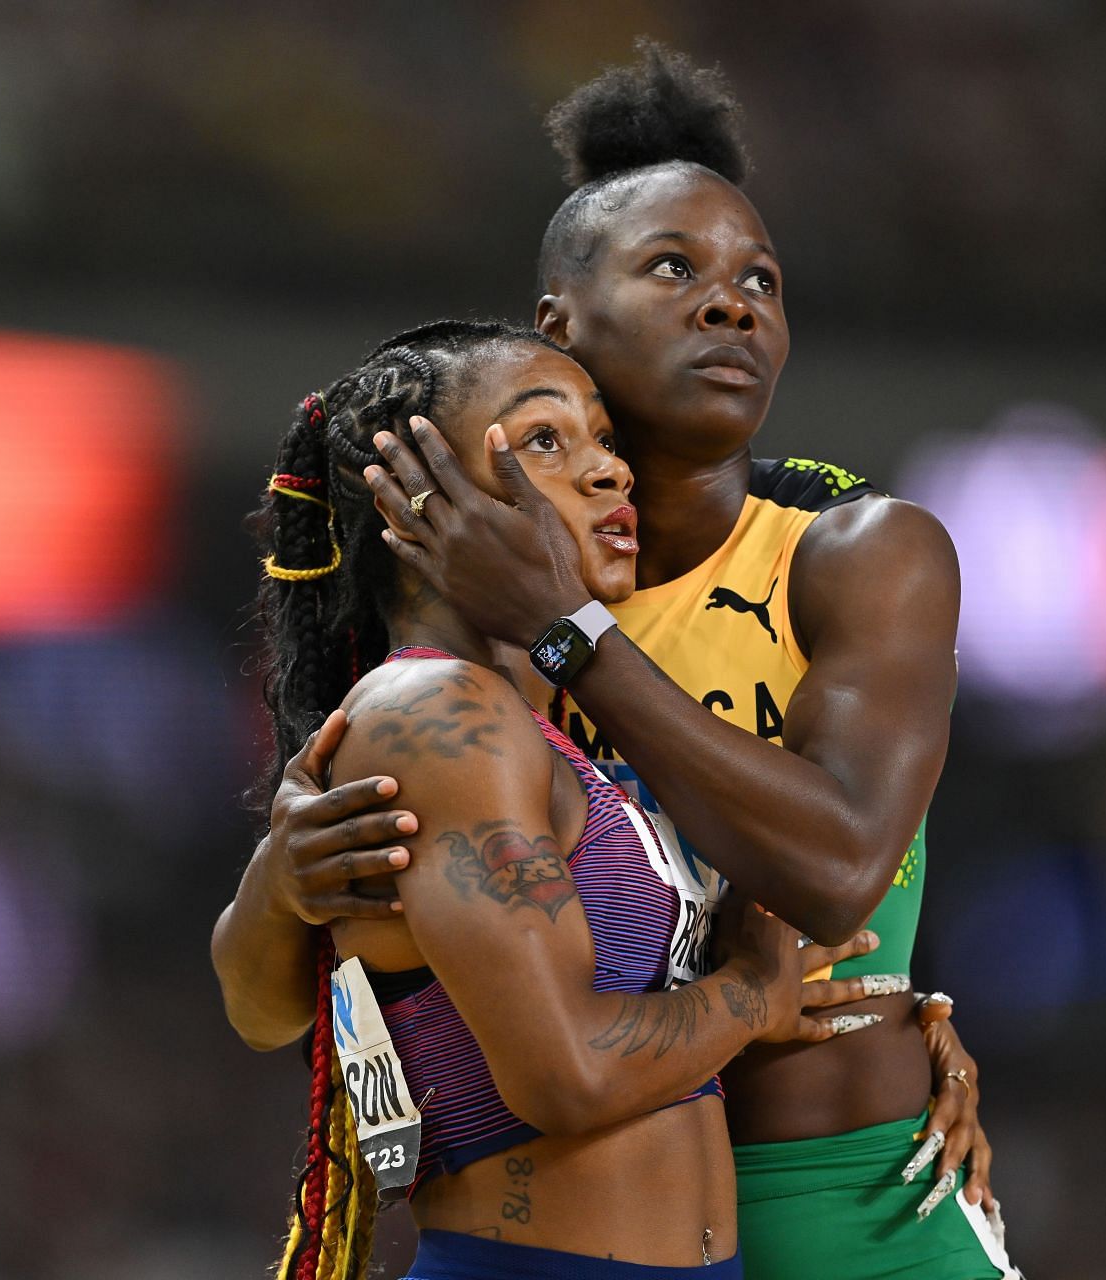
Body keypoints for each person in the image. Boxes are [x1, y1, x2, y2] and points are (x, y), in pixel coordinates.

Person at [303, 44, 1015, 1280]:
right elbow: (314, 975)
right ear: (560, 322)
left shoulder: (855, 549)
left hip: (852, 1198)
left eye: (762, 281)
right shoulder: (470, 625)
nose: (732, 301)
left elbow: (842, 870)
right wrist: (279, 881)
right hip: (616, 1219)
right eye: (675, 268)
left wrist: (575, 631)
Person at [211, 319, 888, 1280]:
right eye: (544, 441)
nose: (610, 472)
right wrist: (749, 995)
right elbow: (566, 1075)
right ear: (414, 505)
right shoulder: (436, 714)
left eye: (605, 440)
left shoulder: (549, 726)